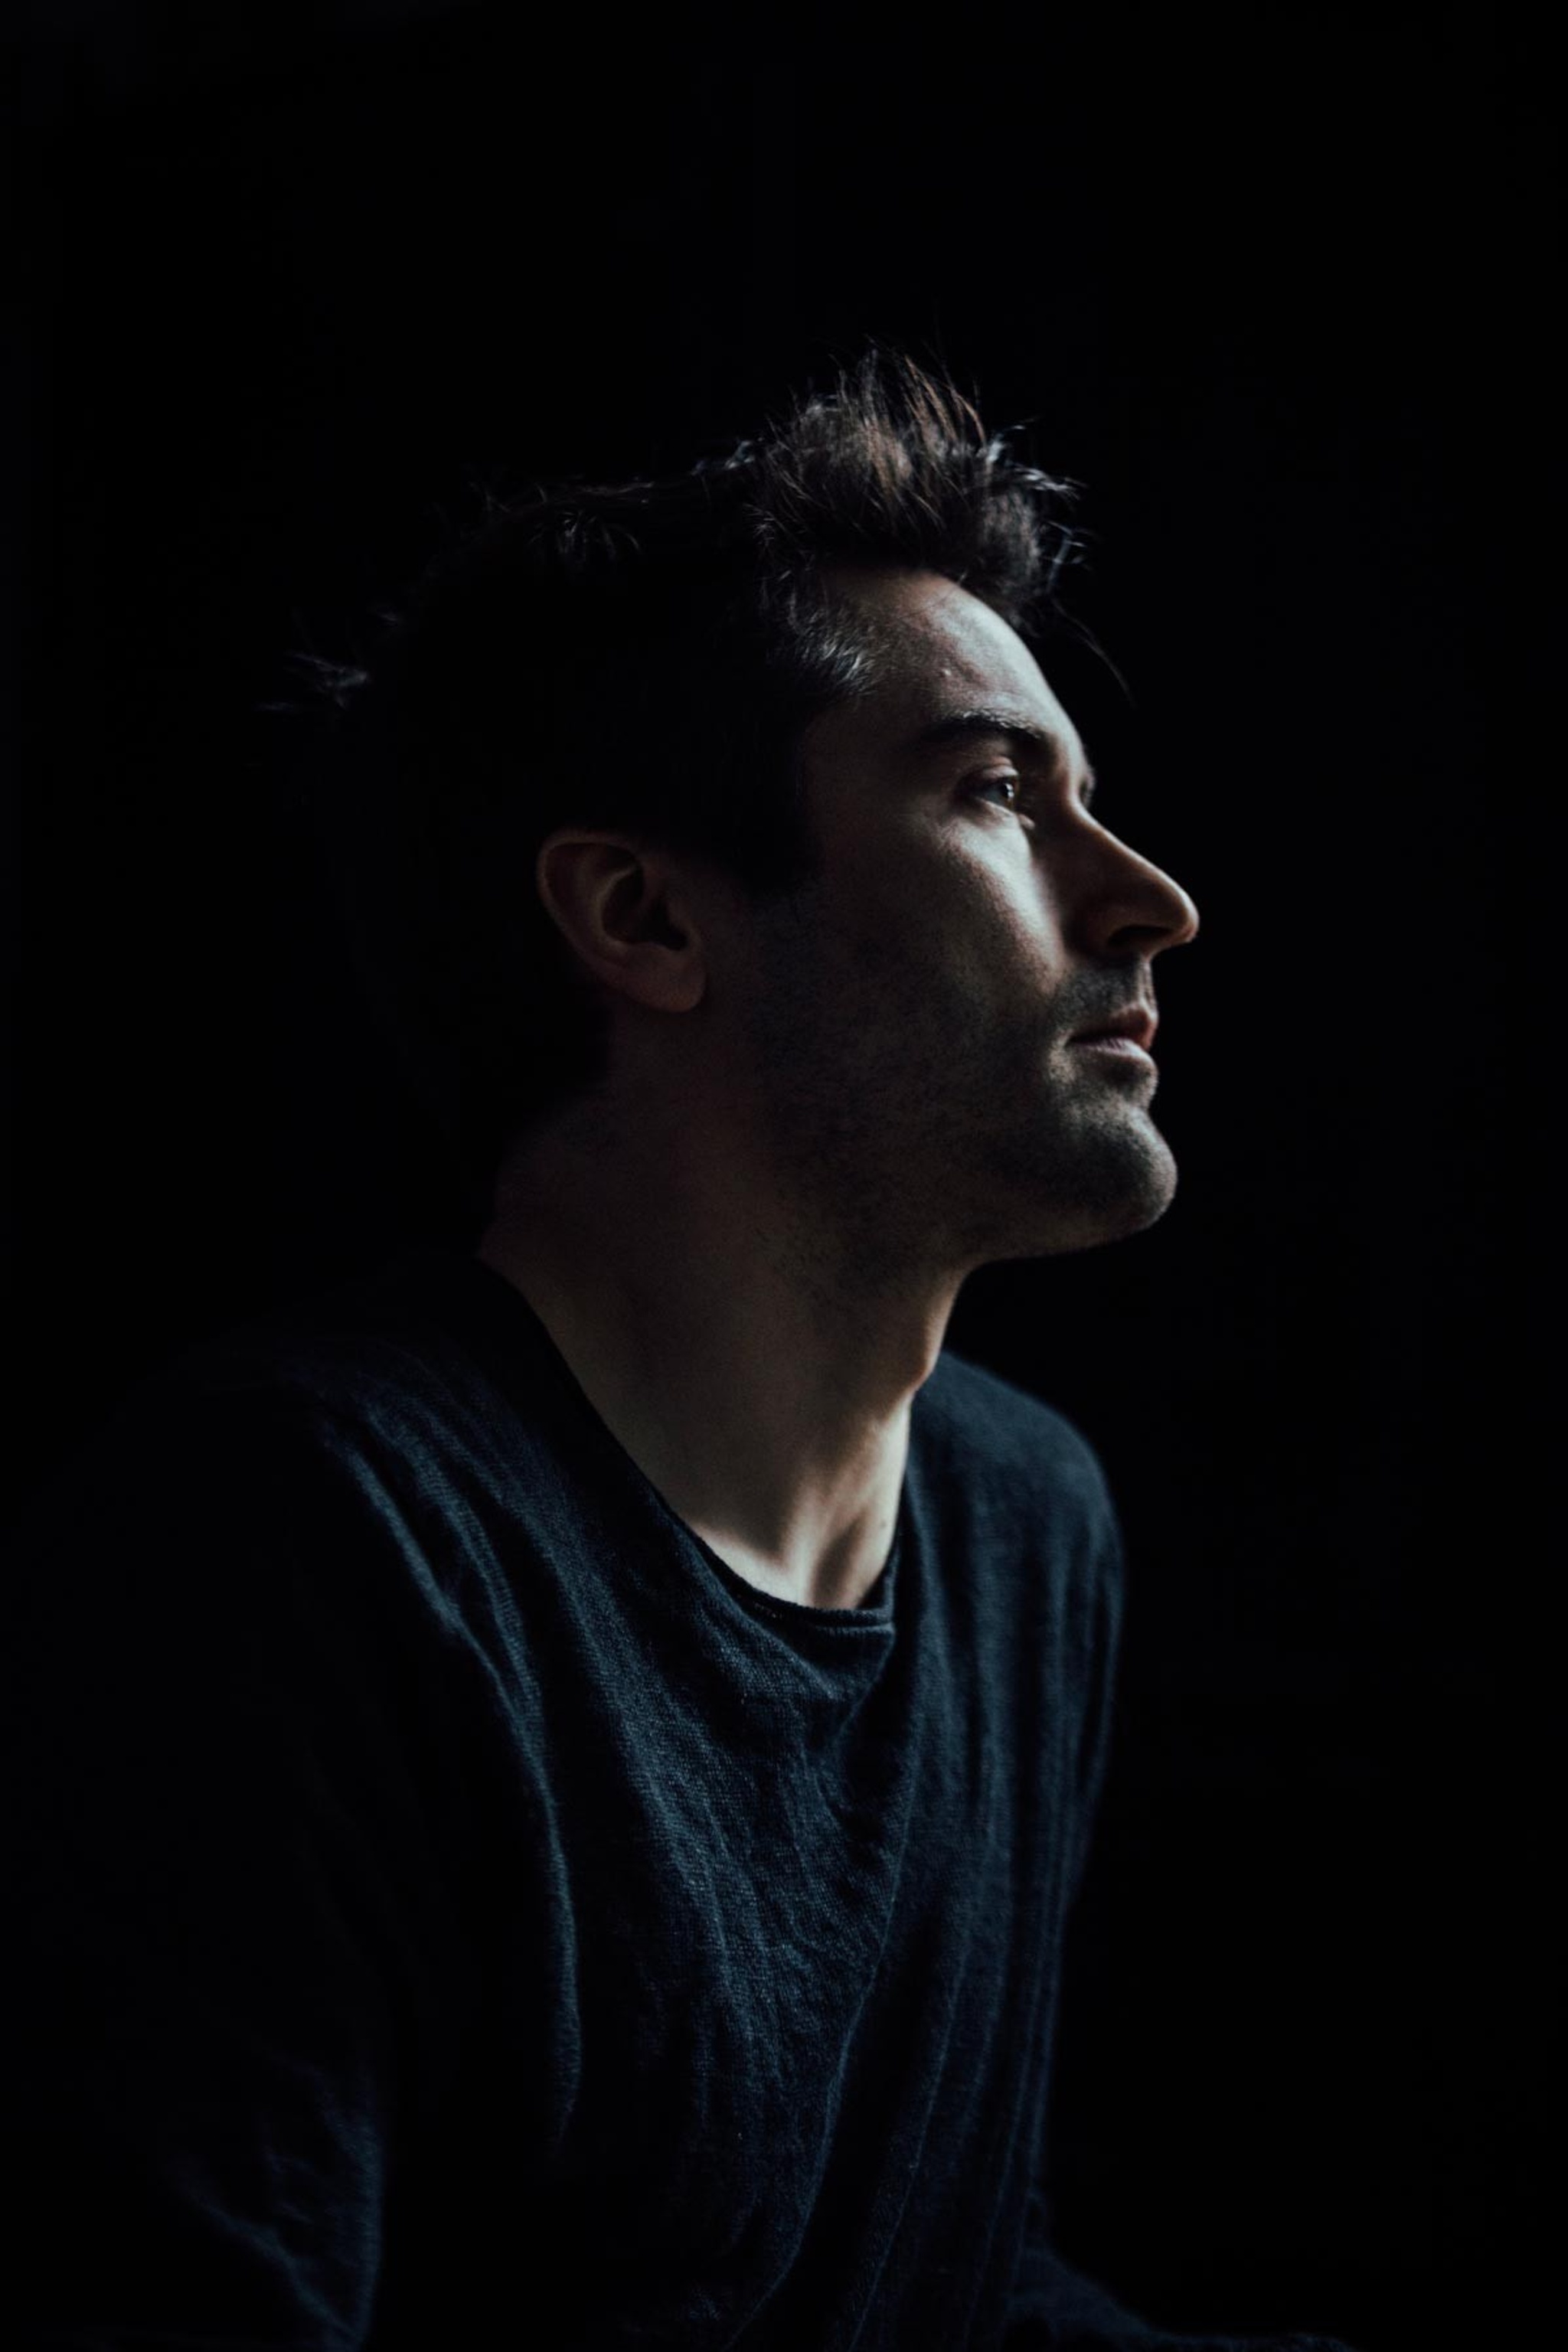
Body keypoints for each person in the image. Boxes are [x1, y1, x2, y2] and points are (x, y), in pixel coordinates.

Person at [5, 349, 1359, 2349]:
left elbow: (950, 2287)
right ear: (644, 915)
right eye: (997, 792)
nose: (1146, 900)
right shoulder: (297, 1540)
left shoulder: (1025, 1523)